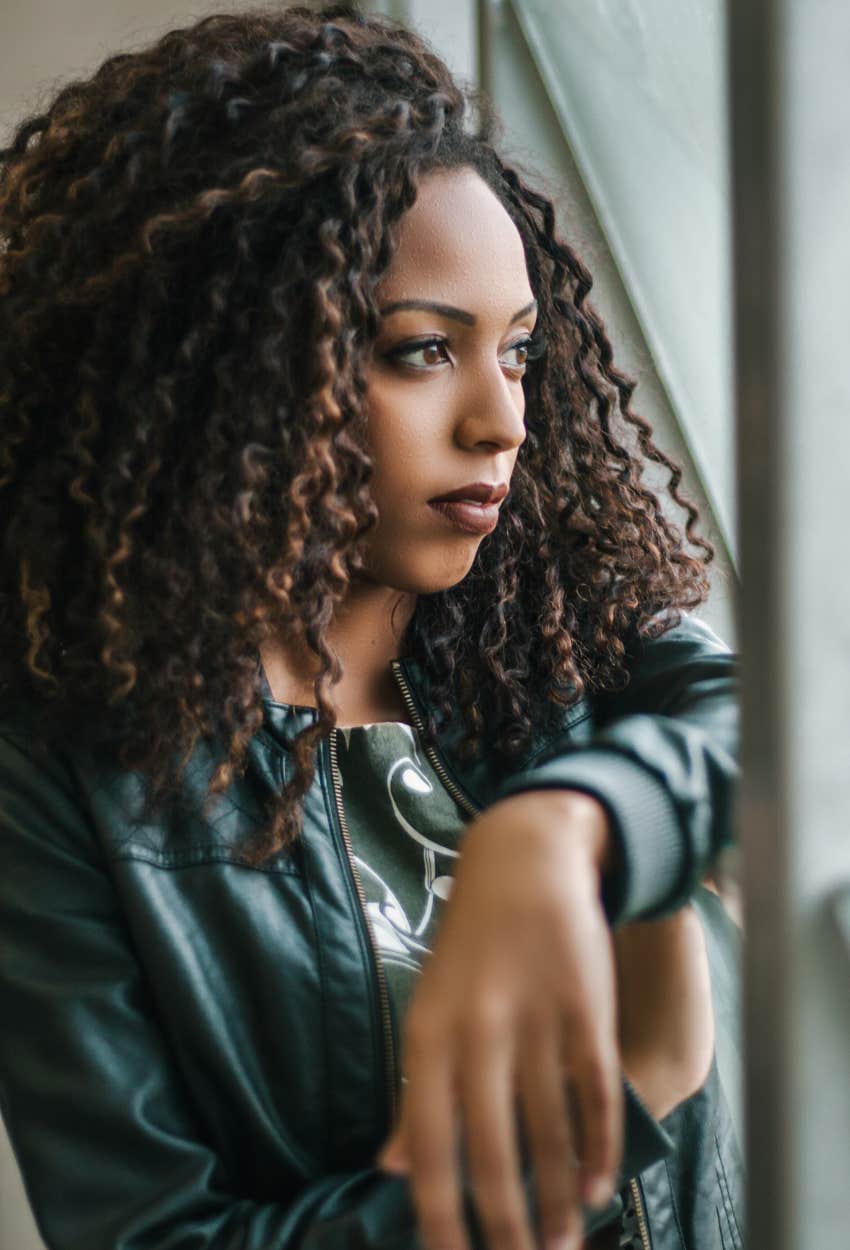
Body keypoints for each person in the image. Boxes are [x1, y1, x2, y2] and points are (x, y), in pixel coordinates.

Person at [0, 6, 742, 1249]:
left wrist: (573, 827)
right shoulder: (59, 763)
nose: (500, 419)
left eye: (516, 352)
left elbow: (776, 735)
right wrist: (584, 1142)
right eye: (418, 352)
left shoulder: (537, 609)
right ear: (228, 367)